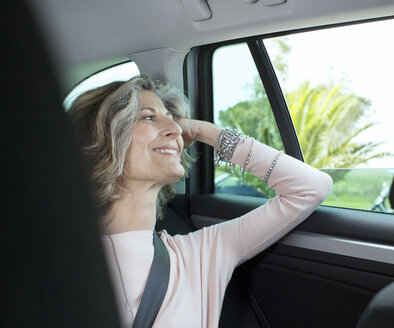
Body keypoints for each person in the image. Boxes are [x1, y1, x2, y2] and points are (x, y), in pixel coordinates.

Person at [68, 74, 333, 328]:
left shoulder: (201, 252)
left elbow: (310, 188)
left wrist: (205, 131)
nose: (175, 129)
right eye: (149, 117)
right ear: (104, 137)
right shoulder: (65, 262)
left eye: (174, 121)